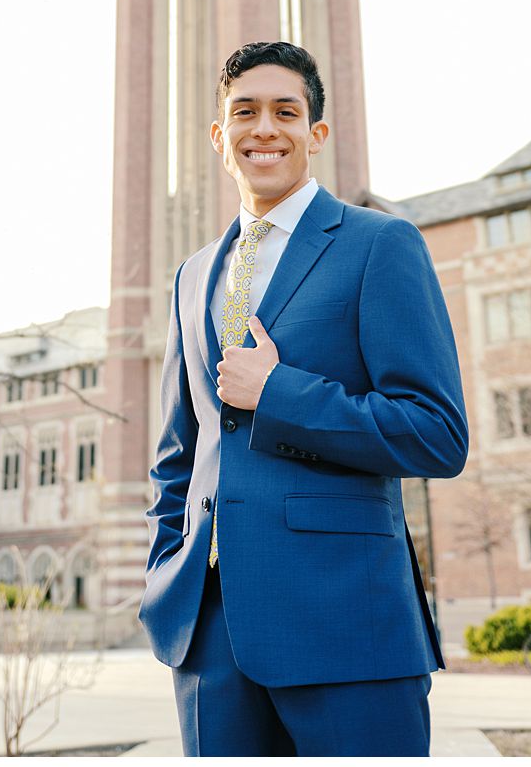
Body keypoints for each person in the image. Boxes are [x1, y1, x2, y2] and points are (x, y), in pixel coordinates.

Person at [139, 41, 468, 756]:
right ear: (219, 136)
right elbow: (178, 451)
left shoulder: (380, 245)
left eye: (286, 111)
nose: (265, 129)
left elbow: (437, 433)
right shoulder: (192, 276)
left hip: (347, 621)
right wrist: (168, 562)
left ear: (315, 133)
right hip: (208, 636)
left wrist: (279, 392)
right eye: (244, 112)